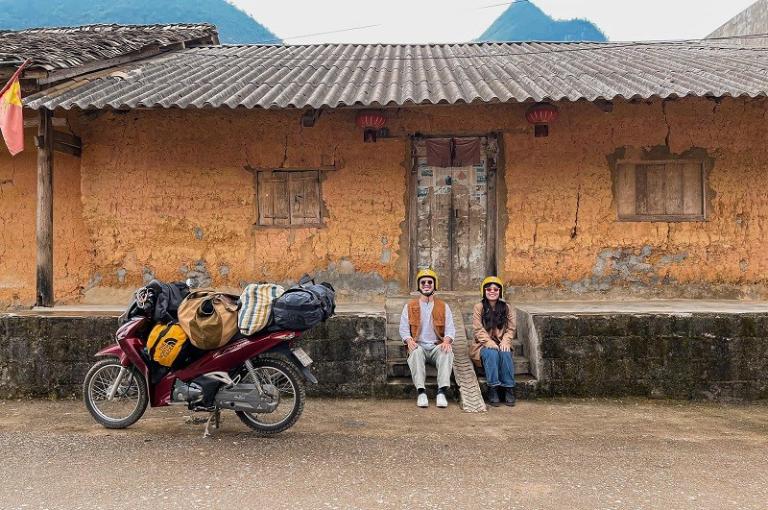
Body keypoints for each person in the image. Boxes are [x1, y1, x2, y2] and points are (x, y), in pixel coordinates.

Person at [399, 268, 456, 408]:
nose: (426, 284)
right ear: (419, 286)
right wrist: (408, 340)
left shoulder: (443, 306)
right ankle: (421, 392)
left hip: (436, 345)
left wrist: (447, 341)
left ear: (434, 285)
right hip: (418, 345)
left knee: (447, 351)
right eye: (423, 282)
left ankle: (441, 392)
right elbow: (403, 329)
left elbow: (450, 329)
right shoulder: (409, 306)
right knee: (416, 352)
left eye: (429, 282)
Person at [471, 276, 516, 407]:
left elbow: (511, 328)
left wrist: (506, 341)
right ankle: (493, 388)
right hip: (482, 345)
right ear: (484, 291)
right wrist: (488, 342)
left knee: (505, 353)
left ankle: (509, 388)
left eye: (495, 289)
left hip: (501, 342)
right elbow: (477, 328)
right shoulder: (478, 307)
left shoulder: (507, 307)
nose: (492, 291)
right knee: (491, 353)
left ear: (500, 291)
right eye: (489, 289)